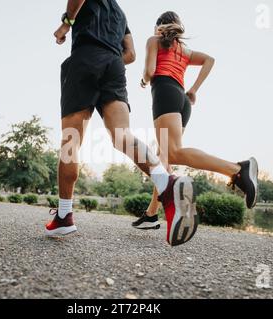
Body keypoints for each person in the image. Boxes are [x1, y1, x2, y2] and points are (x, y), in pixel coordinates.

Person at [46, 1, 198, 247]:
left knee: (71, 139)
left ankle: (64, 216)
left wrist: (67, 23)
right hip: (114, 66)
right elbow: (131, 55)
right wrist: (109, 59)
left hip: (85, 59)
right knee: (121, 136)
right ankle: (167, 184)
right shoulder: (120, 14)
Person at [132, 11, 259, 232]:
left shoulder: (154, 41)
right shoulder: (184, 50)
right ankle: (152, 213)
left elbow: (150, 71)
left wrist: (142, 80)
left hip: (165, 93)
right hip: (182, 100)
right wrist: (193, 89)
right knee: (164, 157)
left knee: (171, 153)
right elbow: (210, 60)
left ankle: (238, 170)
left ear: (158, 27)